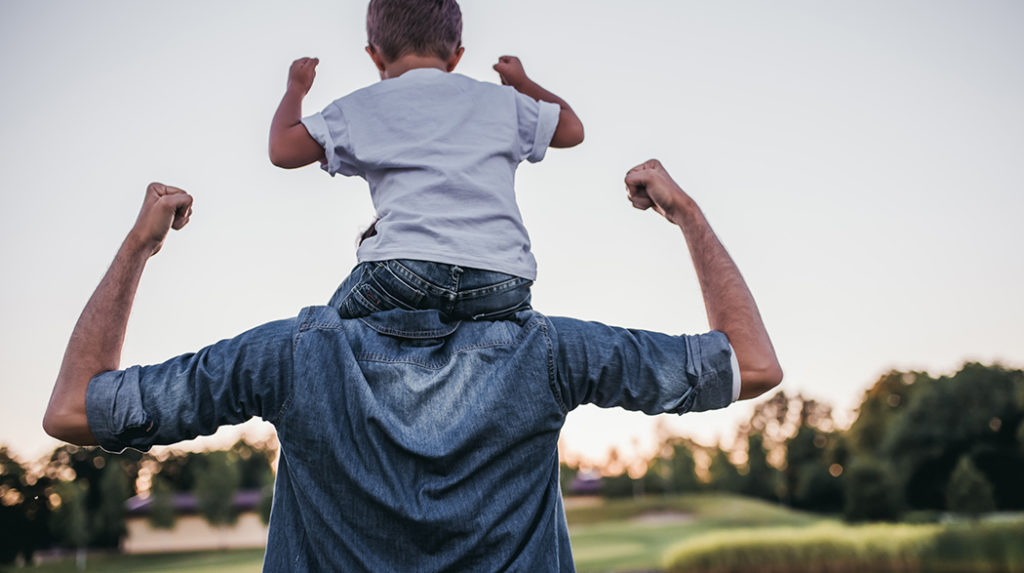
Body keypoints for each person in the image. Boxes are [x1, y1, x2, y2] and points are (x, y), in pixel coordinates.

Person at [44, 160, 782, 571]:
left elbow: (75, 408)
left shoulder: (292, 355)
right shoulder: (547, 351)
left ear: (371, 250)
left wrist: (139, 245)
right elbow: (750, 363)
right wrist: (685, 212)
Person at [268, 0, 585, 322]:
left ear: (374, 56)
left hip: (405, 272)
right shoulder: (501, 102)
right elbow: (572, 129)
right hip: (503, 279)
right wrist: (522, 84)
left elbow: (282, 149)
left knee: (324, 333)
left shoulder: (363, 106)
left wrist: (295, 89)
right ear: (456, 56)